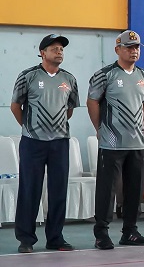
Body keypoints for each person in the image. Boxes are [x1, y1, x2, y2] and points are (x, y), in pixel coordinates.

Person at [11, 34, 79, 254]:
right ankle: (26, 239)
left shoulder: (69, 79)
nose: (59, 52)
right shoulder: (28, 76)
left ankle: (55, 238)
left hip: (60, 143)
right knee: (30, 189)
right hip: (33, 143)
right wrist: (30, 128)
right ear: (42, 53)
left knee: (58, 191)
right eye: (54, 48)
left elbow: (70, 109)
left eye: (61, 49)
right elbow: (15, 106)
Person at [89, 30, 144, 250]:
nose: (134, 51)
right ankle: (101, 233)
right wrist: (100, 128)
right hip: (112, 142)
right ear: (118, 50)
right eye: (129, 47)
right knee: (107, 189)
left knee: (134, 189)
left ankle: (130, 231)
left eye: (136, 47)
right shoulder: (104, 74)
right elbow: (92, 102)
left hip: (137, 143)